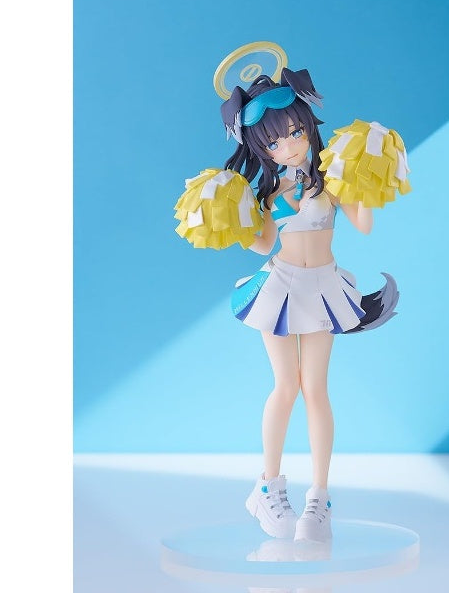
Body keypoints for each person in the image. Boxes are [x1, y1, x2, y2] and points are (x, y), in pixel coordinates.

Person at [175, 62, 409, 542]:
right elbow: (262, 245)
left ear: (307, 127)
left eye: (295, 133)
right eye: (274, 143)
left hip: (323, 287)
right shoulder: (271, 192)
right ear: (261, 149)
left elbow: (363, 225)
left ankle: (319, 497)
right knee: (286, 387)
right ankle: (268, 486)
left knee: (316, 389)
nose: (288, 146)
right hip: (280, 287)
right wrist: (232, 208)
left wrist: (362, 174)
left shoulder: (330, 180)